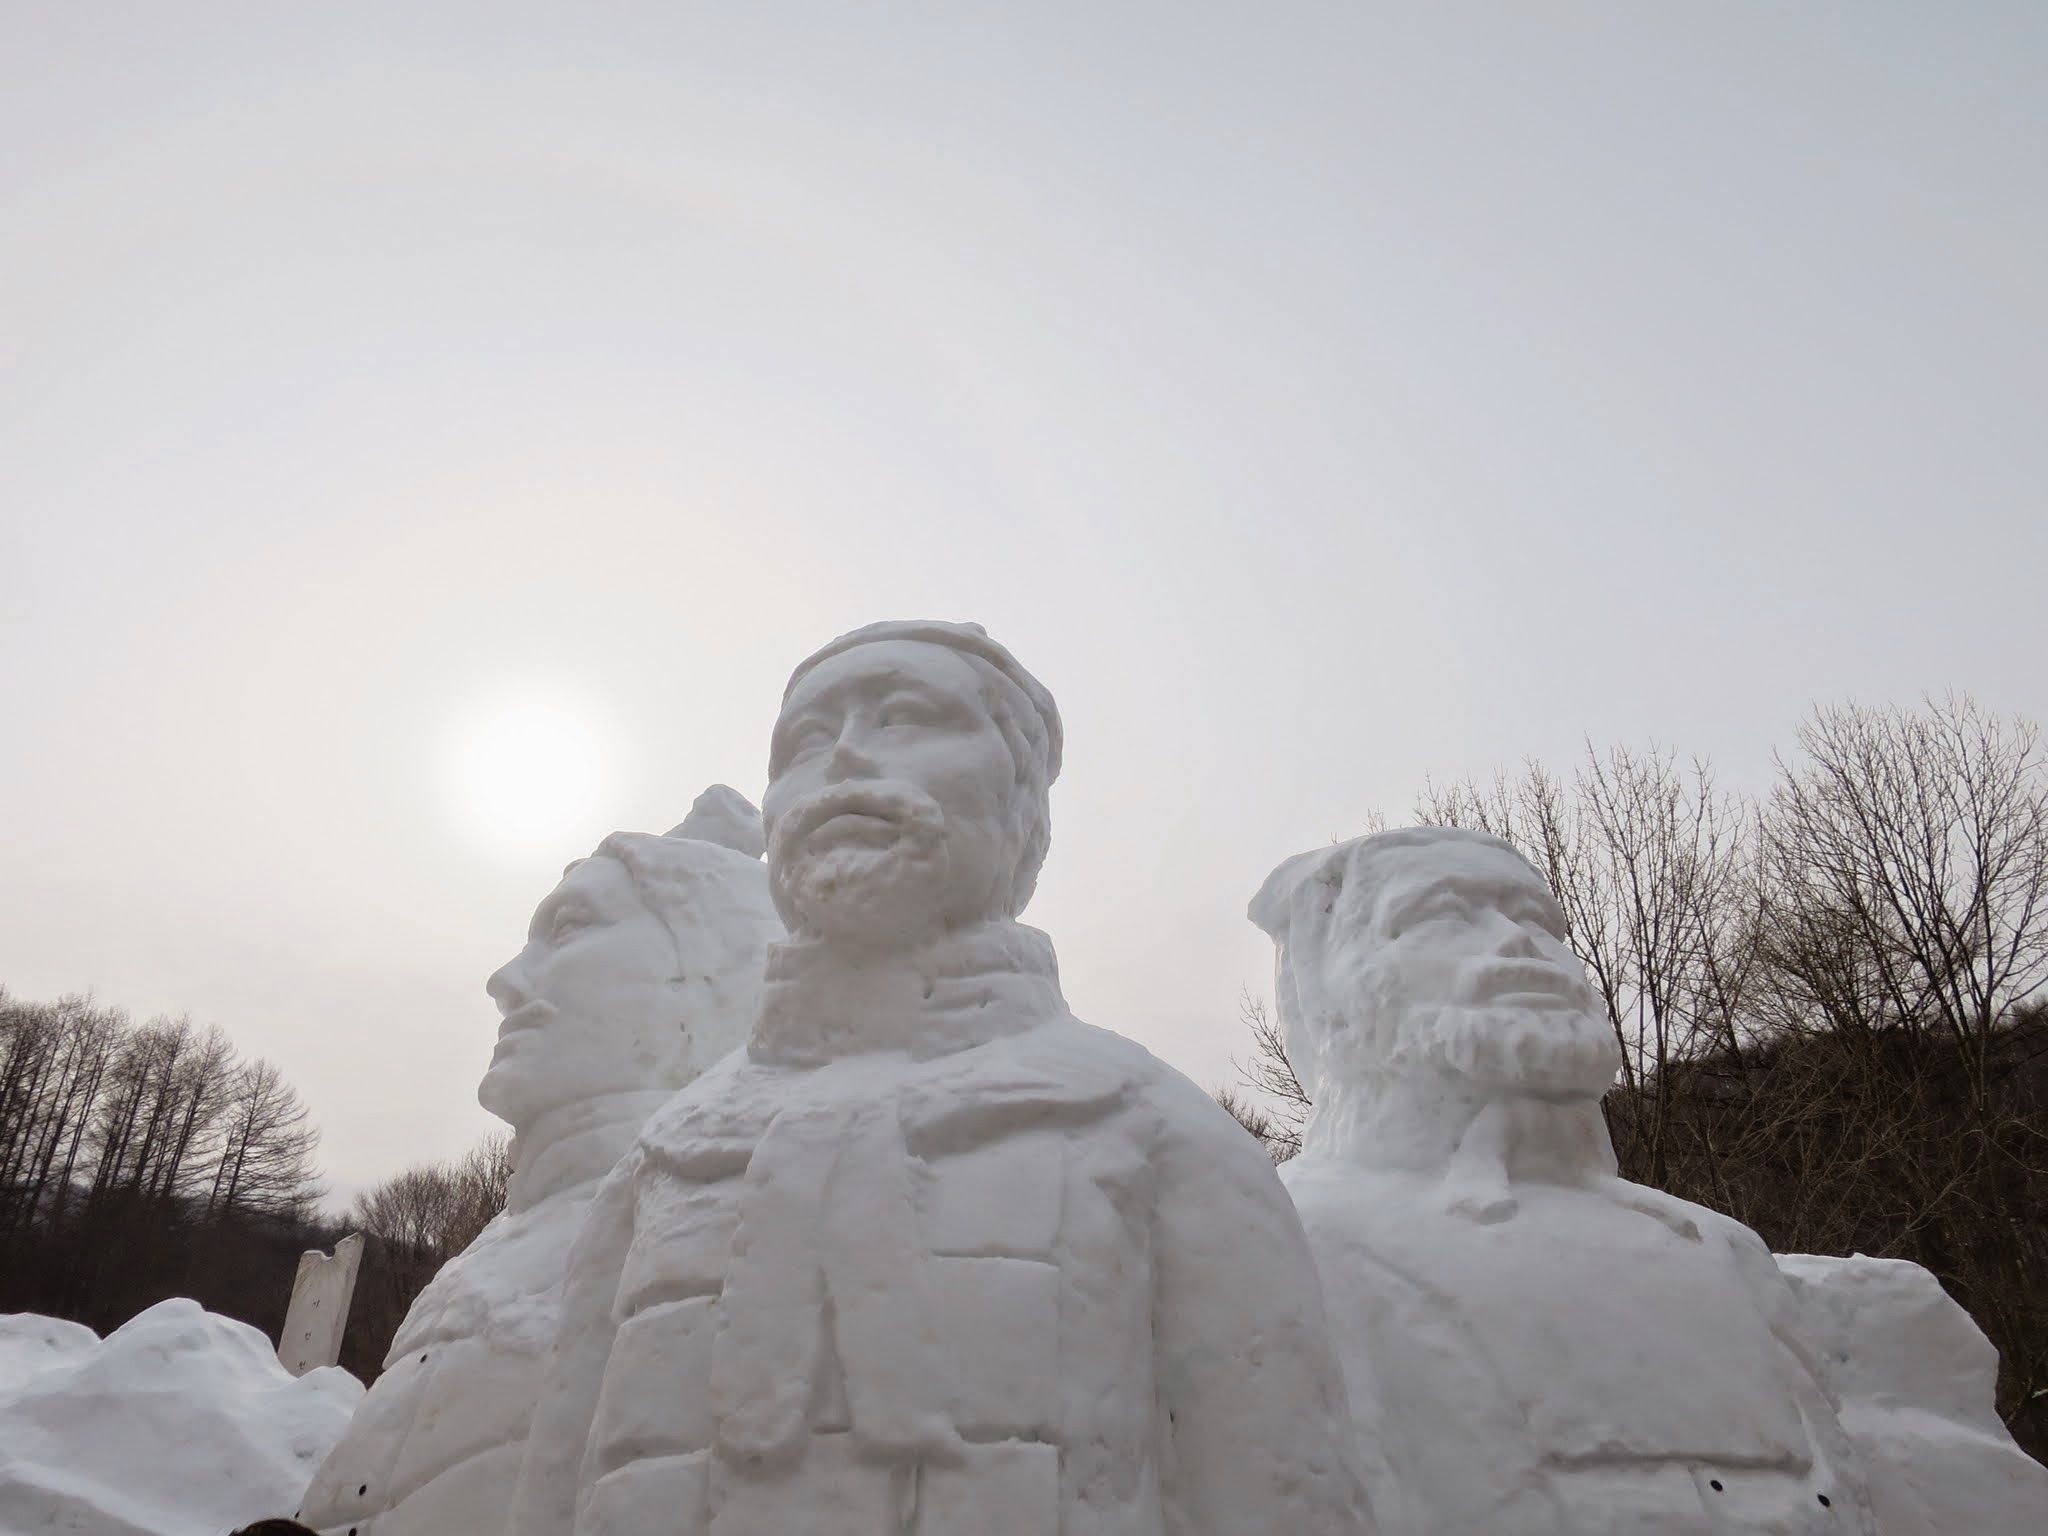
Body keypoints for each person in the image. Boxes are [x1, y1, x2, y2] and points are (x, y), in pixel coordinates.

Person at [511, 620, 1374, 1536]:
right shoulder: (663, 1163)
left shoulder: (1157, 1133)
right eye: (804, 742)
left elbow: (1282, 1494)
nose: (843, 759)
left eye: (903, 719)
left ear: (1020, 806)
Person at [1251, 826, 1877, 1536]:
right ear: (1330, 991)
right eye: (1445, 916)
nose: (1518, 943)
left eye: (1540, 922)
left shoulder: (1722, 1251)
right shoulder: (1287, 1243)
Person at [296, 789, 783, 1536]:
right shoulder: (487, 1259)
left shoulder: (723, 1239)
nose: (508, 979)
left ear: (710, 975)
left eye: (571, 928)